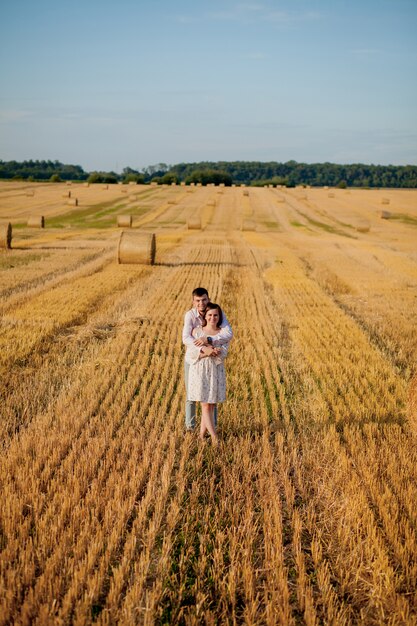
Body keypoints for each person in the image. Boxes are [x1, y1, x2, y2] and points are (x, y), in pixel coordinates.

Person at [182, 287, 233, 432]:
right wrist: (205, 349)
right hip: (195, 359)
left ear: (208, 299)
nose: (201, 303)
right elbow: (186, 338)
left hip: (212, 361)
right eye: (197, 300)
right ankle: (190, 427)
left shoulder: (216, 312)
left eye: (204, 299)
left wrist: (209, 339)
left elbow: (228, 333)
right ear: (193, 302)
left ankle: (213, 426)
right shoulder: (190, 316)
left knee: (212, 395)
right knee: (191, 394)